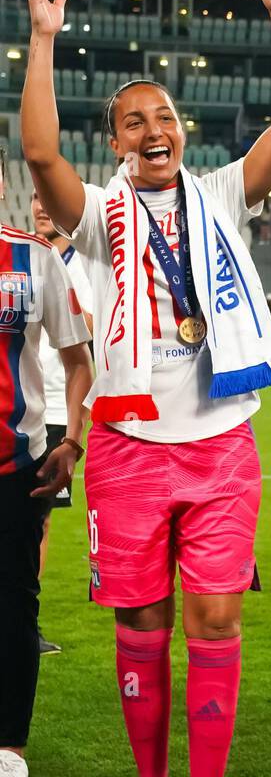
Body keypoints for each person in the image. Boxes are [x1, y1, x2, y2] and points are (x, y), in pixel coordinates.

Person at [22, 0, 271, 777]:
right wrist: (40, 39)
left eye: (166, 116)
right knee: (141, 620)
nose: (154, 128)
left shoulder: (221, 194)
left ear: (182, 128)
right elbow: (36, 150)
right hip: (127, 447)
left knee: (216, 618)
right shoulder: (100, 218)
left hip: (221, 441)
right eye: (135, 120)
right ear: (114, 141)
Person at [0, 148, 92, 777]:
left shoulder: (34, 259)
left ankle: (8, 755)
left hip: (16, 468)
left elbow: (75, 359)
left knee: (12, 614)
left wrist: (73, 436)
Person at [32, 187, 93, 654]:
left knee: (39, 521)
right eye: (33, 197)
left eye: (46, 197)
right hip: (18, 407)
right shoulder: (21, 256)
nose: (39, 205)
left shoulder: (86, 266)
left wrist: (76, 428)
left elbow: (90, 345)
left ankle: (23, 622)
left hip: (56, 412)